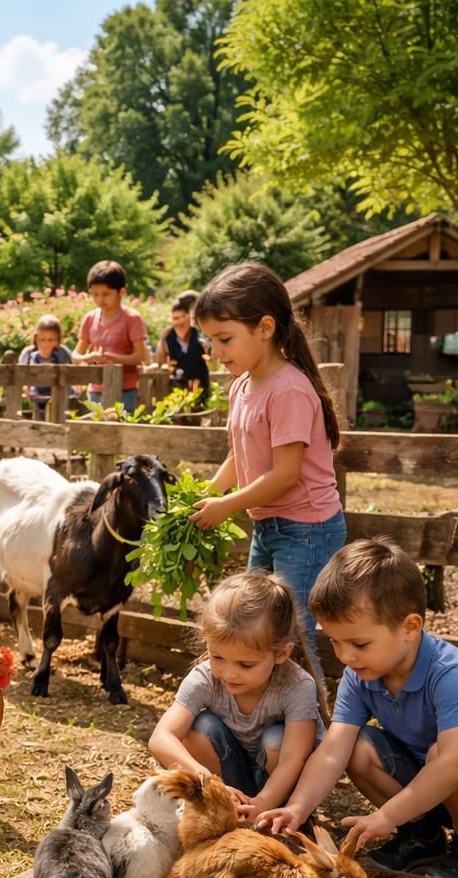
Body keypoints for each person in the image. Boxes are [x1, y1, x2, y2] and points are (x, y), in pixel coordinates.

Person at [257, 539, 458, 878]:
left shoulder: (453, 675)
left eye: (359, 643)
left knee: (446, 754)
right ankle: (421, 836)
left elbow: (455, 763)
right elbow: (331, 752)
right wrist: (298, 806)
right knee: (355, 746)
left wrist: (386, 815)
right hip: (438, 776)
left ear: (410, 627)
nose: (345, 656)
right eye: (334, 641)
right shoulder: (360, 674)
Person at [189, 263, 345, 676]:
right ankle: (268, 712)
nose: (217, 351)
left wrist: (226, 507)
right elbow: (240, 456)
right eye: (211, 341)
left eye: (225, 339)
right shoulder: (242, 385)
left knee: (293, 636)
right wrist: (208, 493)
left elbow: (285, 474)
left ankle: (313, 714)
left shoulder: (288, 389)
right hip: (270, 525)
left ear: (265, 328)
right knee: (256, 627)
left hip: (307, 530)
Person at [148, 572, 326, 821]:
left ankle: (276, 815)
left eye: (246, 664)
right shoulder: (205, 678)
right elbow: (161, 737)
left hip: (277, 789)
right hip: (227, 780)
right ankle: (222, 807)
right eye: (217, 657)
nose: (229, 673)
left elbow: (294, 758)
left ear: (281, 654)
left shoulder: (296, 685)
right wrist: (208, 782)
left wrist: (263, 803)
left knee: (276, 739)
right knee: (201, 726)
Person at [72, 260, 149, 412]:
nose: (100, 300)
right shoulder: (89, 319)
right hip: (96, 389)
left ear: (121, 291)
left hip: (126, 389)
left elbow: (140, 356)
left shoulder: (132, 318)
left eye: (106, 294)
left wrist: (113, 358)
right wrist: (89, 357)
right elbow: (76, 355)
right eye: (95, 294)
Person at [156, 289, 212, 407]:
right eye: (175, 318)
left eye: (182, 317)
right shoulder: (167, 337)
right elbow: (161, 362)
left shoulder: (199, 335)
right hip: (177, 389)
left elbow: (210, 357)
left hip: (200, 386)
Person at [18, 314, 74, 420]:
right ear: (36, 338)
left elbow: (72, 372)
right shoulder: (29, 353)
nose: (46, 344)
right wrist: (25, 387)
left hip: (60, 396)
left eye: (51, 340)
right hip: (36, 396)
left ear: (58, 340)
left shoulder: (62, 353)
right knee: (37, 420)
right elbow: (20, 373)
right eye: (42, 340)